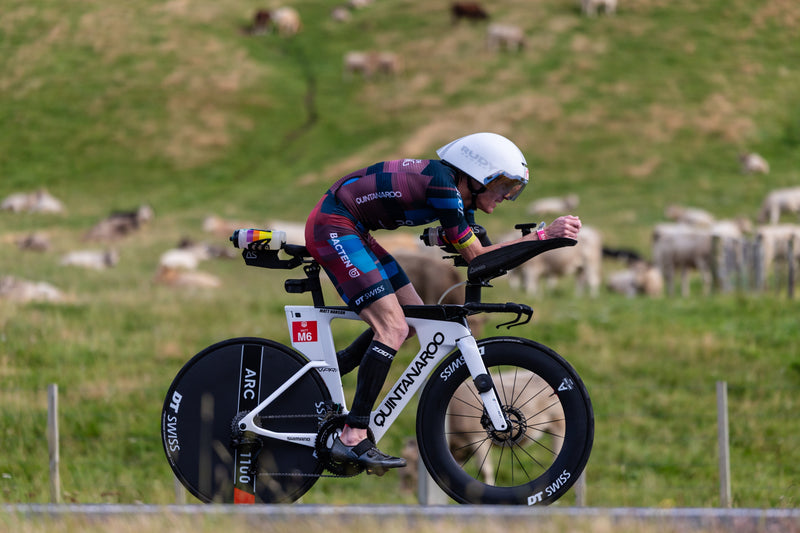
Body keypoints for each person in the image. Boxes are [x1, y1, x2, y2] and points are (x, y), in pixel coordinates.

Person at [304, 132, 581, 474]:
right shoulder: (444, 189)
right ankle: (353, 435)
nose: (508, 196)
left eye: (514, 189)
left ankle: (329, 370)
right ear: (477, 176)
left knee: (410, 321)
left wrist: (540, 243)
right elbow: (477, 258)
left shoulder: (456, 193)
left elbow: (483, 253)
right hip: (334, 225)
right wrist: (543, 237)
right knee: (392, 326)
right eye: (504, 185)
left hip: (355, 229)